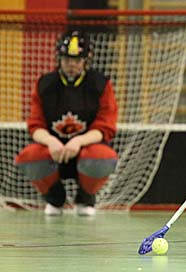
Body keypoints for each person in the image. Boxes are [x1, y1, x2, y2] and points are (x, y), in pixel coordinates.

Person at [15, 30, 118, 216]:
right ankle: (55, 198)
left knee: (104, 157)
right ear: (59, 59)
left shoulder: (100, 84)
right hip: (53, 152)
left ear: (86, 60)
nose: (71, 65)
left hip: (86, 152)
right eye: (67, 59)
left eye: (77, 60)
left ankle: (85, 198)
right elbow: (35, 125)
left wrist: (78, 141)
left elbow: (106, 126)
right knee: (28, 157)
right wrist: (51, 141)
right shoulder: (45, 84)